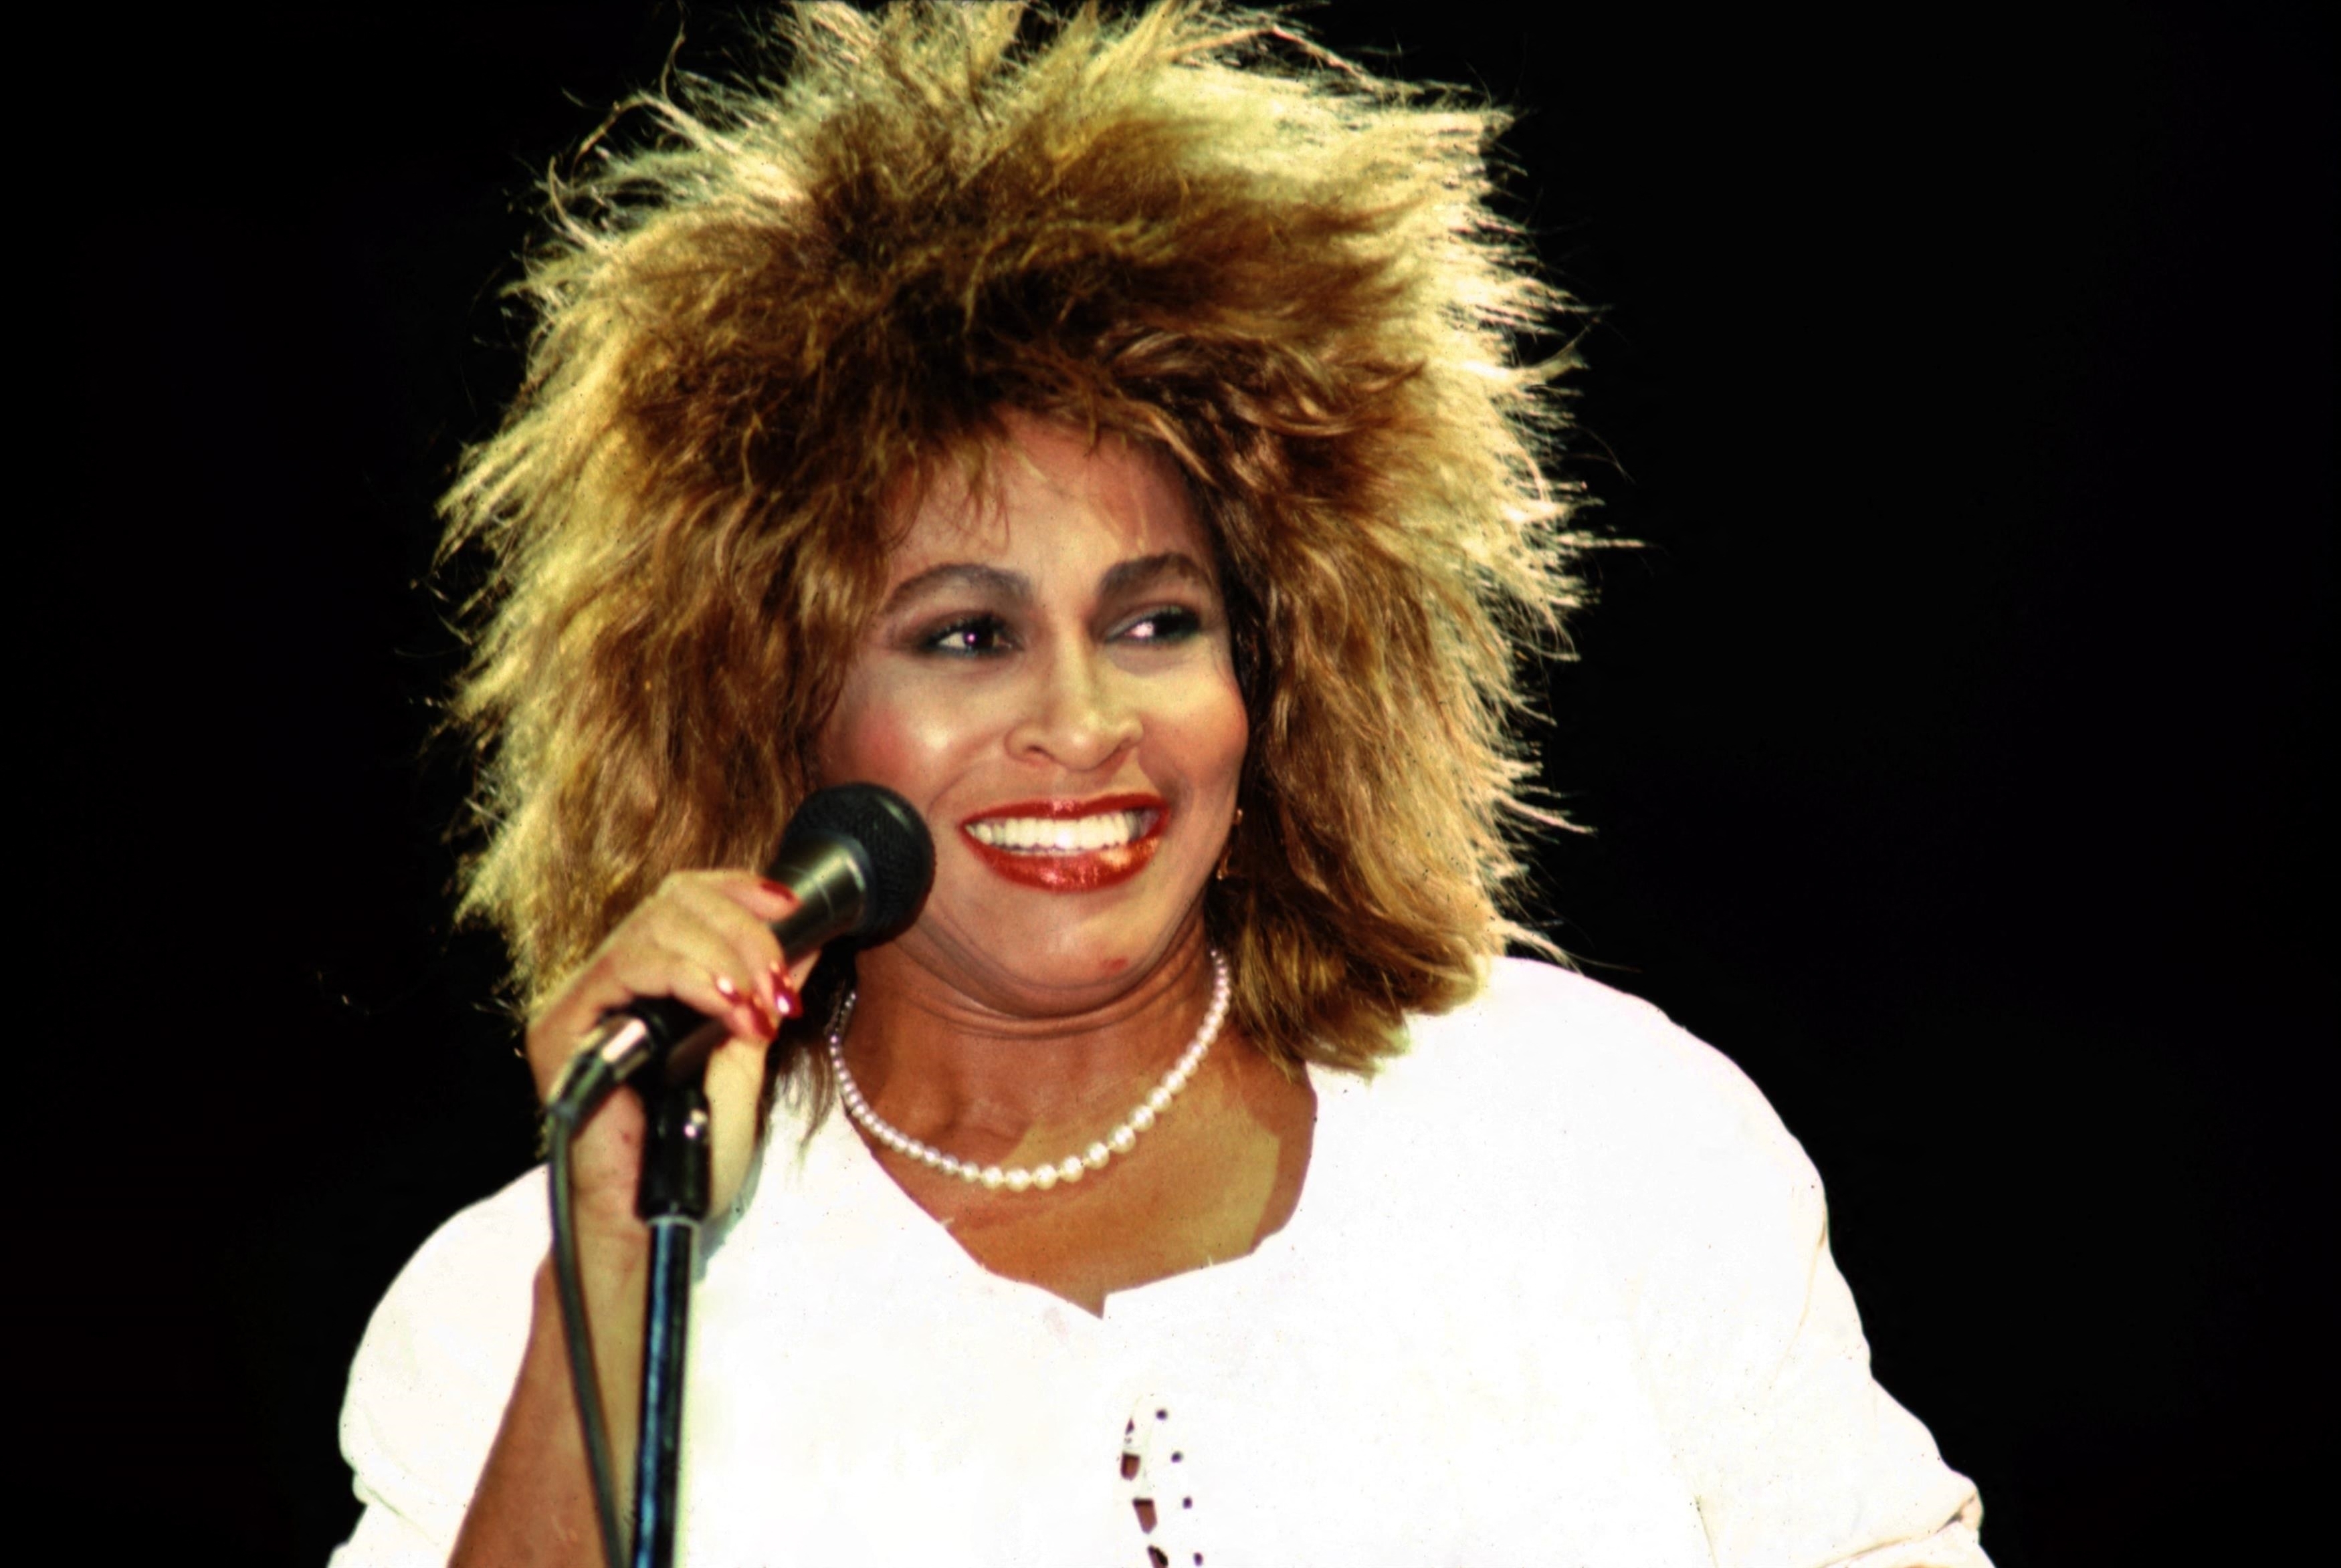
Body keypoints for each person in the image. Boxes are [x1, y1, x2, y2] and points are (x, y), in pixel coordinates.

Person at [332, 4, 1987, 1564]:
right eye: (966, 635)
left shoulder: (1592, 1125)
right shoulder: (511, 1314)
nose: (1082, 721)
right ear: (771, 713)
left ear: (1278, 669)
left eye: (1155, 622)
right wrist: (612, 1275)